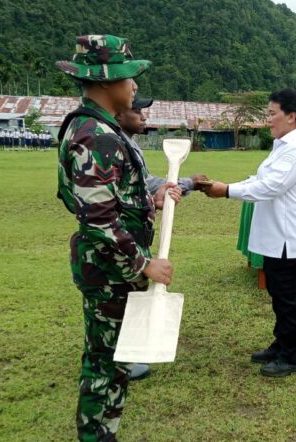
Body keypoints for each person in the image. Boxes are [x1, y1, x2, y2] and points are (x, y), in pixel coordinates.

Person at [56, 34, 180, 441]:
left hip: (112, 269)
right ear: (107, 82)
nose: (135, 86)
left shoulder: (100, 129)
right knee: (105, 364)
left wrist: (150, 198)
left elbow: (110, 199)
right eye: (129, 78)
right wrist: (145, 263)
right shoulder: (96, 135)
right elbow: (98, 218)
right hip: (110, 273)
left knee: (113, 360)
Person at [204, 88, 296, 377]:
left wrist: (227, 191)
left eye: (271, 114)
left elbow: (270, 187)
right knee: (279, 295)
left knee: (288, 298)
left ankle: (294, 358)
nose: (267, 120)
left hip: (289, 239)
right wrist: (230, 184)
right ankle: (282, 345)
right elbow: (263, 179)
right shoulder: (283, 145)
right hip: (278, 238)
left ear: (290, 116)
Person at [113, 96, 209, 381]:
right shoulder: (109, 143)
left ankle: (122, 360)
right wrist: (155, 198)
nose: (143, 116)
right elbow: (108, 206)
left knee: (124, 299)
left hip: (132, 241)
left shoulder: (128, 143)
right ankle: (114, 366)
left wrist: (175, 188)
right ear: (118, 115)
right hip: (120, 244)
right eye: (137, 111)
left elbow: (146, 185)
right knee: (114, 302)